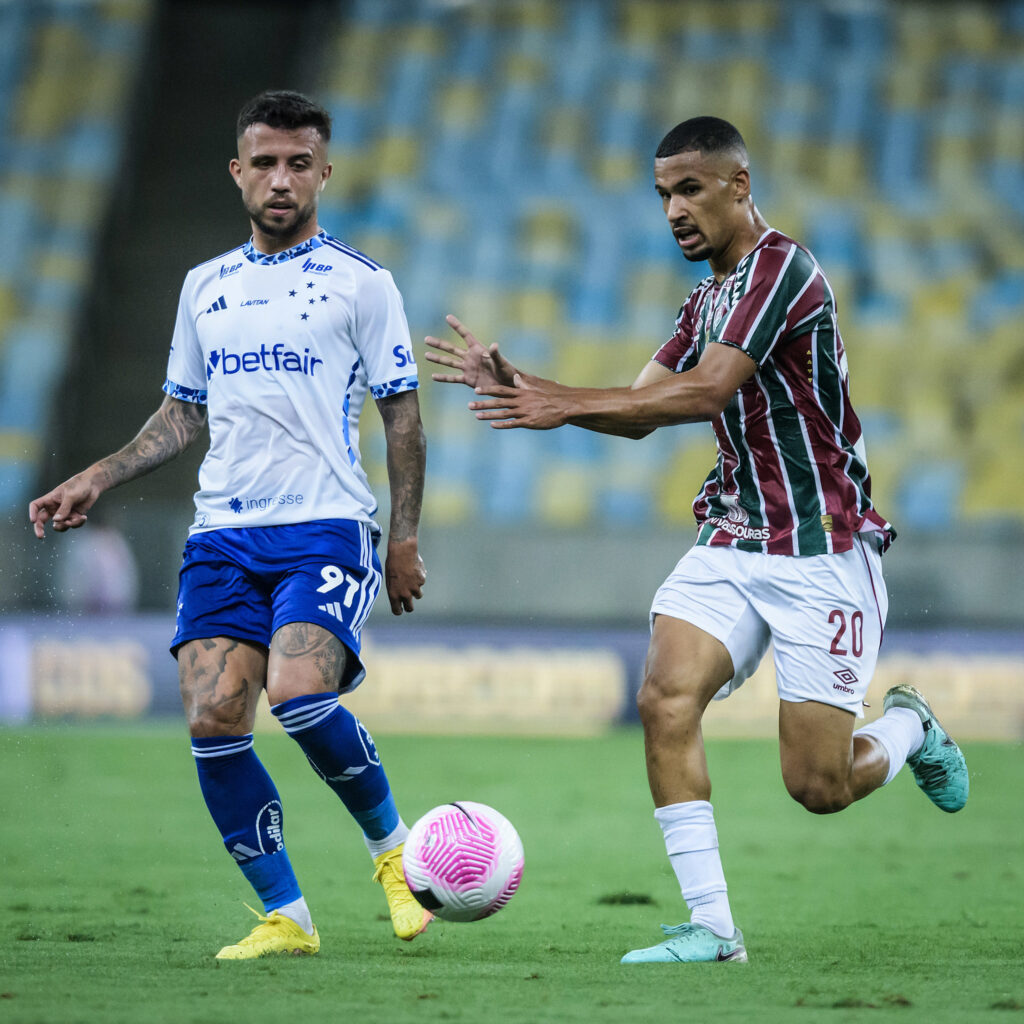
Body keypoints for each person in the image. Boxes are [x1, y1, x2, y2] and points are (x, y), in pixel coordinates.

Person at [425, 116, 969, 965]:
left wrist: (560, 401)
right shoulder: (703, 301)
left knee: (818, 786)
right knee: (662, 697)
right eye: (663, 195)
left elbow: (706, 392)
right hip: (732, 538)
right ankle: (713, 929)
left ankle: (907, 728)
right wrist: (524, 383)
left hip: (821, 548)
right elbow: (638, 410)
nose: (674, 210)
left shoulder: (784, 269)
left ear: (739, 186)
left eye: (689, 189)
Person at [30, 90, 432, 959]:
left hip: (324, 525)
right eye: (264, 163)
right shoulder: (203, 287)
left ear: (324, 172)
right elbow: (182, 414)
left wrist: (401, 538)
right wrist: (97, 476)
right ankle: (287, 916)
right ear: (236, 172)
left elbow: (403, 415)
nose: (280, 180)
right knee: (215, 720)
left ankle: (394, 853)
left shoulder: (365, 284)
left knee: (297, 694)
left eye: (298, 164)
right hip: (222, 538)